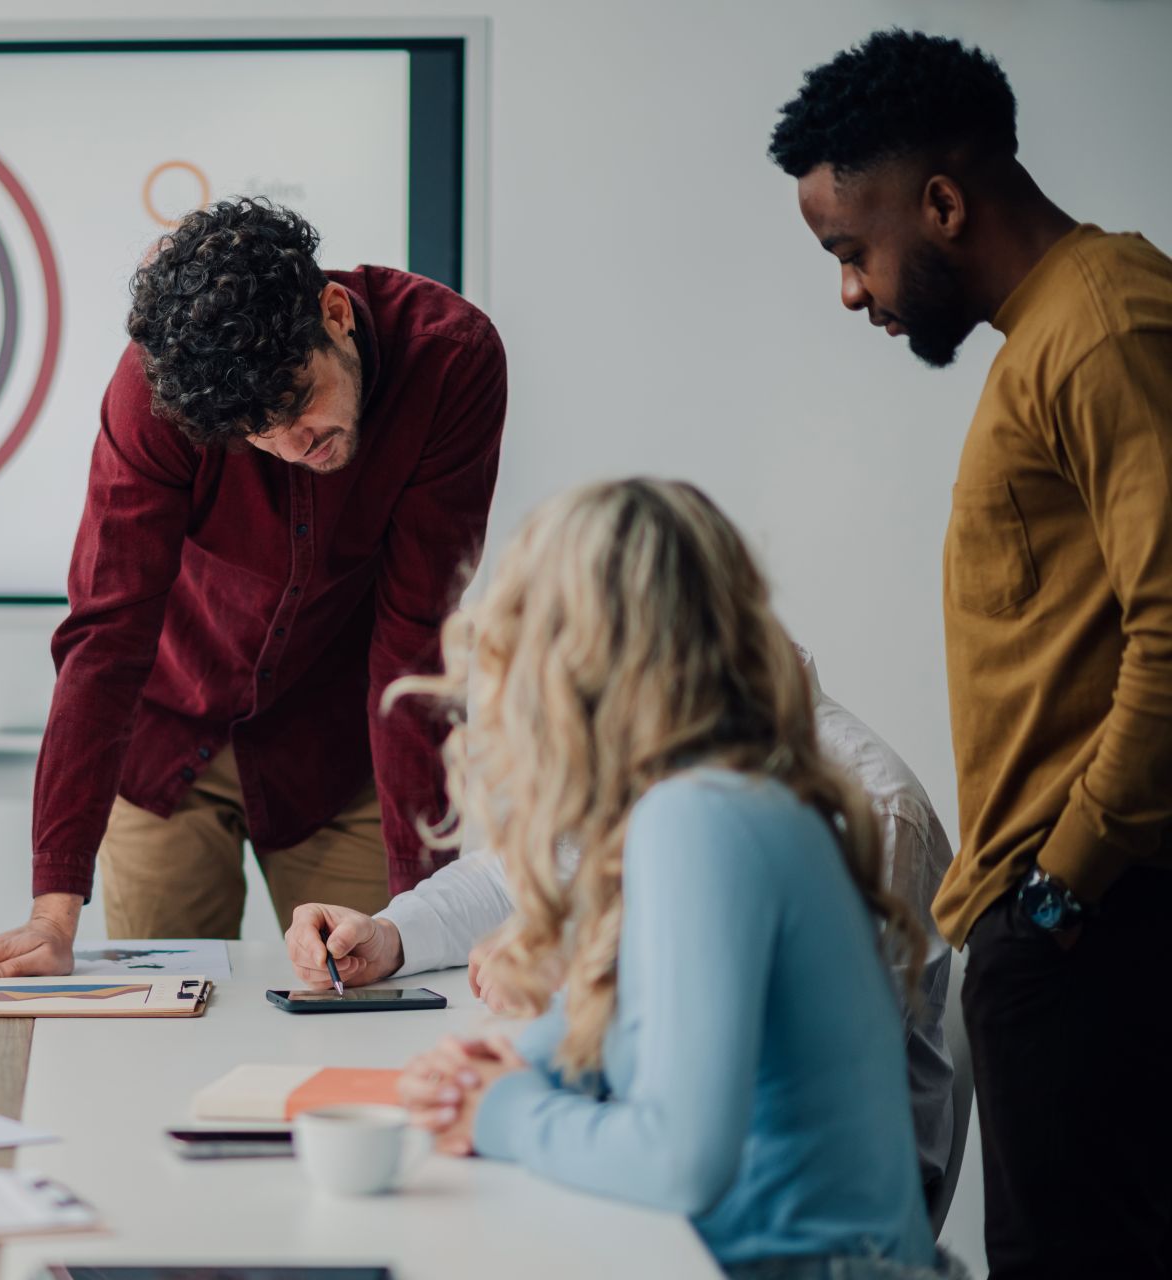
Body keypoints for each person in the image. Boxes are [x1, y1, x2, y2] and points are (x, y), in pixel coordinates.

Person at [770, 30, 1172, 1278]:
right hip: (1057, 919)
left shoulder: (1102, 325)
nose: (851, 291)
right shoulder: (1051, 334)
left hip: (1092, 920)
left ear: (942, 202)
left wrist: (1059, 887)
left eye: (852, 250)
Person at [0, 198, 507, 982]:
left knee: (367, 995)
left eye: (296, 404)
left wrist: (422, 921)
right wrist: (52, 915)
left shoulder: (451, 360)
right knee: (162, 1023)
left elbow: (416, 635)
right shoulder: (154, 395)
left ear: (333, 314)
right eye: (255, 433)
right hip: (166, 740)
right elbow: (106, 632)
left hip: (343, 746)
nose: (289, 447)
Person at [385, 479, 949, 1280]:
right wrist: (509, 1062)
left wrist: (501, 1108)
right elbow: (649, 1027)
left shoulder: (700, 820)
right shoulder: (721, 797)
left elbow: (679, 1161)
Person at [287, 644, 956, 1201]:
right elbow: (515, 872)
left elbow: (776, 1071)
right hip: (673, 1157)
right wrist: (396, 941)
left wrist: (561, 1006)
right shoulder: (677, 745)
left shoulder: (866, 811)